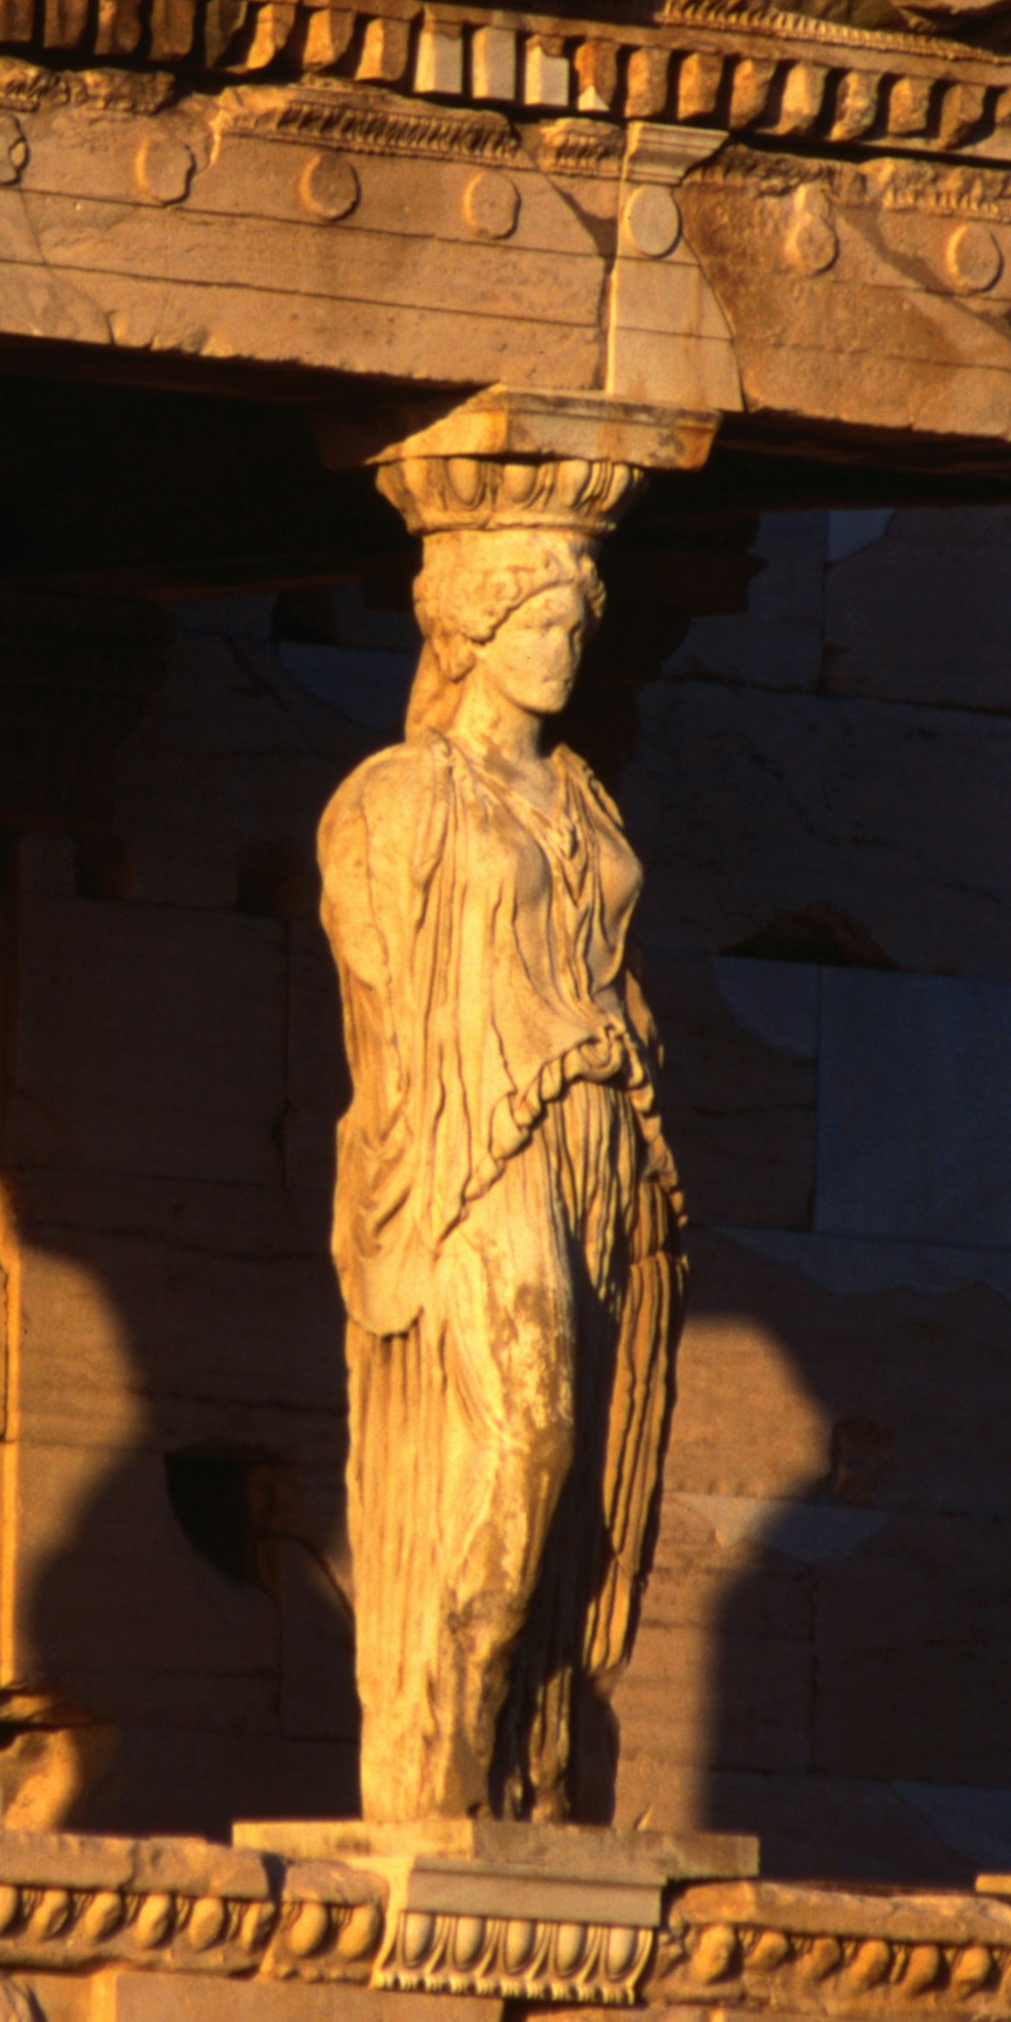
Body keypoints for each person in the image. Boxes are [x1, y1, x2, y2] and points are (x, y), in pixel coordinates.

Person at [317, 519, 680, 1821]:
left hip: (600, 1140)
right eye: (535, 619)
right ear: (467, 633)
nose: (562, 645)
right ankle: (446, 1745)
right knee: (525, 1441)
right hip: (479, 1149)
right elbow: (378, 989)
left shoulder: (582, 793)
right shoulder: (393, 798)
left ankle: (528, 1769)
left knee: (577, 1481)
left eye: (576, 622)